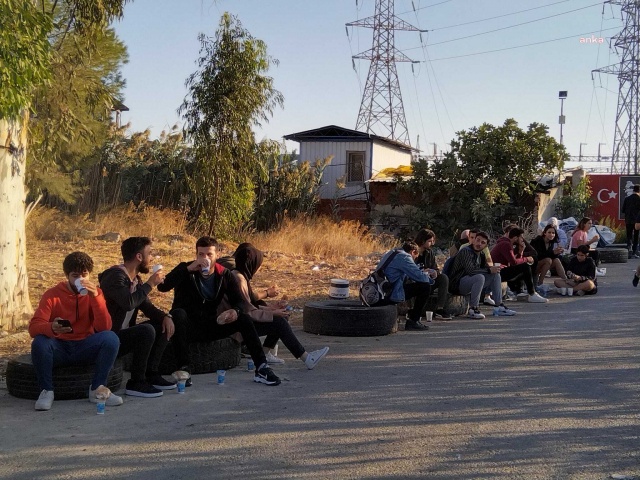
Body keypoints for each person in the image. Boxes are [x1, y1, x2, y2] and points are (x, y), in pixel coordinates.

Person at [157, 236, 282, 386]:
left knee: (243, 318)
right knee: (178, 313)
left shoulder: (224, 274)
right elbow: (162, 287)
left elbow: (240, 301)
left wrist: (235, 311)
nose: (205, 259)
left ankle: (262, 367)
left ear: (217, 255)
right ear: (196, 255)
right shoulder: (186, 270)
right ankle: (184, 368)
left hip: (212, 323)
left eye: (209, 254)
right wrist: (187, 269)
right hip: (188, 326)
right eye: (201, 254)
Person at [29, 252, 122, 411]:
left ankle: (97, 389)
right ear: (67, 275)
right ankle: (47, 391)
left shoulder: (96, 293)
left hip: (85, 346)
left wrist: (96, 299)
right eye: (75, 275)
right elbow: (34, 327)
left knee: (111, 338)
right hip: (60, 347)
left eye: (84, 275)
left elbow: (104, 327)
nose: (80, 279)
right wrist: (51, 327)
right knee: (39, 342)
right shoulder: (52, 295)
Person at [100, 237, 187, 397]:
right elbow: (128, 302)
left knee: (161, 324)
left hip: (122, 335)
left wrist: (165, 317)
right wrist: (151, 284)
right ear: (139, 257)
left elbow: (147, 307)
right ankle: (136, 382)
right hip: (107, 338)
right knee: (146, 330)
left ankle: (151, 373)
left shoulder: (134, 280)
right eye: (150, 253)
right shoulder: (114, 277)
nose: (152, 258)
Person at [231, 243, 329, 368]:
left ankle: (265, 353)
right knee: (279, 322)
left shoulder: (240, 276)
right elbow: (247, 312)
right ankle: (306, 358)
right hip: (238, 328)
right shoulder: (239, 280)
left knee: (281, 317)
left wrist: (273, 308)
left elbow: (249, 305)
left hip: (242, 322)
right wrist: (272, 313)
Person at [448, 232, 516, 318]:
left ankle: (499, 306)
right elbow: (471, 271)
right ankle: (473, 309)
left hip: (471, 282)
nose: (479, 244)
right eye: (478, 240)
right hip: (457, 284)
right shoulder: (465, 251)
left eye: (483, 242)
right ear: (473, 240)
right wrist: (489, 270)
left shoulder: (481, 254)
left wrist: (493, 269)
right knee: (479, 277)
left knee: (495, 275)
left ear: (486, 246)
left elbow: (486, 269)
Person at [375, 242, 435, 331]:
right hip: (388, 293)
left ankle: (410, 314)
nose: (414, 260)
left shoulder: (393, 252)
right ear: (413, 252)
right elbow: (421, 278)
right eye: (415, 257)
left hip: (379, 290)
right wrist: (430, 277)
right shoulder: (405, 257)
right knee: (425, 287)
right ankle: (413, 321)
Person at [490, 226, 548, 303]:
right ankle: (532, 293)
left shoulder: (507, 243)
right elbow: (513, 262)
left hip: (501, 270)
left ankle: (521, 291)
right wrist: (527, 259)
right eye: (521, 237)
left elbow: (514, 262)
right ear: (515, 238)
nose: (522, 240)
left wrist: (521, 252)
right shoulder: (505, 244)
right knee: (525, 266)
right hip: (497, 272)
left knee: (523, 266)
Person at [413, 229, 452, 320]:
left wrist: (434, 272)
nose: (432, 243)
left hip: (429, 280)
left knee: (443, 278)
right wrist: (421, 271)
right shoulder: (413, 252)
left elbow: (435, 268)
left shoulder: (429, 252)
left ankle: (440, 308)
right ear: (422, 241)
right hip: (416, 281)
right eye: (430, 241)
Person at [621, 184, 640, 257]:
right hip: (637, 221)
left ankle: (629, 248)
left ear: (633, 190)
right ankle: (634, 252)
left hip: (628, 220)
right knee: (636, 236)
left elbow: (623, 210)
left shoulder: (627, 199)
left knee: (629, 235)